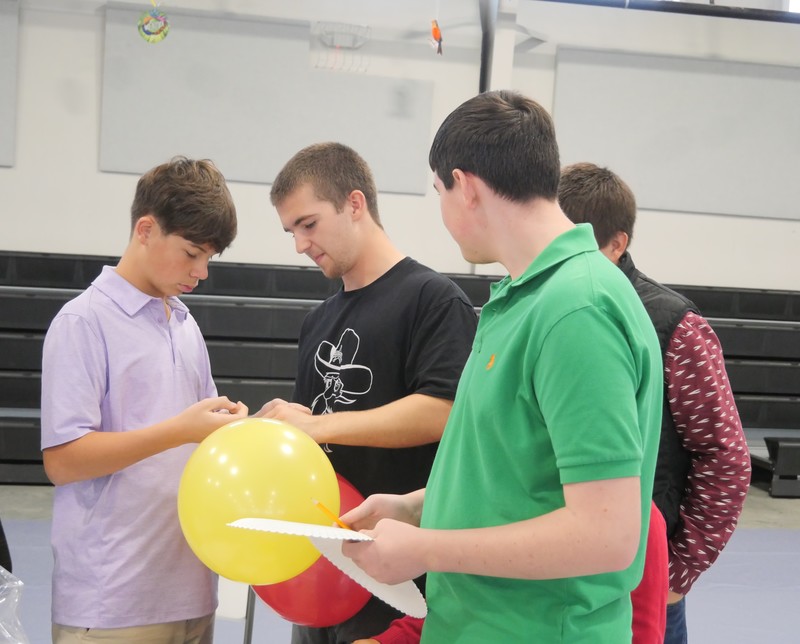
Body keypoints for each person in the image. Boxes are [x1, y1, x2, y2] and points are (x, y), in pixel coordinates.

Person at [340, 89, 663, 643]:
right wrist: (420, 507)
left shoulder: (576, 308)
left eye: (439, 192)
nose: (442, 211)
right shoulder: (522, 297)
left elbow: (605, 533)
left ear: (465, 187)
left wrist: (426, 549)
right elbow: (517, 470)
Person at [256, 142, 478, 643]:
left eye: (308, 224)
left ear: (355, 204)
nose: (299, 244)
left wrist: (316, 423)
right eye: (291, 231)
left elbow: (444, 411)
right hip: (322, 575)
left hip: (399, 579)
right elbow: (321, 442)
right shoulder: (318, 320)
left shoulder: (433, 299)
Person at [40, 156, 250, 643]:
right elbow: (64, 460)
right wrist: (182, 429)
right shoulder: (83, 322)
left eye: (209, 258)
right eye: (191, 252)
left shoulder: (184, 323)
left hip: (193, 589)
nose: (200, 272)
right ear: (146, 229)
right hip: (112, 601)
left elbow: (202, 437)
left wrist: (243, 426)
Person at [558, 162, 751, 644]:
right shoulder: (552, 311)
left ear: (617, 243)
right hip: (558, 578)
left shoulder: (674, 326)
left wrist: (674, 575)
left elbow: (725, 458)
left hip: (642, 585)